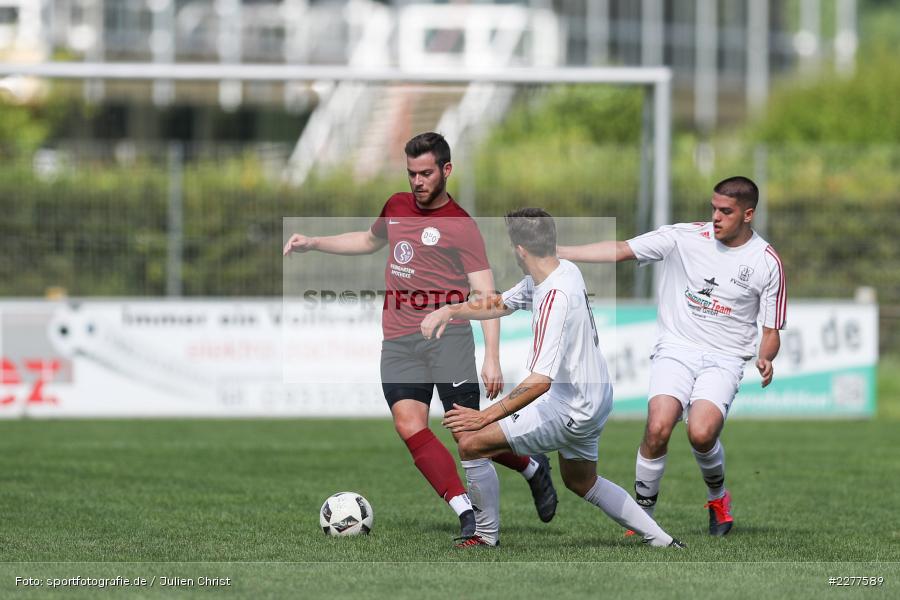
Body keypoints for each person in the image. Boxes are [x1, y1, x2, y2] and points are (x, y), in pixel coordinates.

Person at [283, 132, 558, 543]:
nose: (417, 181)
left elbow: (485, 294)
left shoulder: (461, 226)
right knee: (408, 423)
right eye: (411, 173)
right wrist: (315, 243)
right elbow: (368, 240)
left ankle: (532, 467)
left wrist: (493, 356)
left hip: (449, 341)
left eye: (426, 173)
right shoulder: (395, 206)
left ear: (446, 170)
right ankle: (465, 512)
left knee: (467, 434)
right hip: (398, 340)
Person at [421, 208, 683, 548]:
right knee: (581, 480)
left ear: (519, 250)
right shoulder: (560, 272)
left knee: (471, 442)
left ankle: (484, 537)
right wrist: (453, 309)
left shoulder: (554, 298)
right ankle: (662, 540)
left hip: (570, 407)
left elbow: (540, 380)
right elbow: (500, 302)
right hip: (595, 398)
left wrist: (483, 416)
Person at [557, 176, 786, 536]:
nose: (716, 217)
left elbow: (771, 331)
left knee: (701, 433)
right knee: (658, 425)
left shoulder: (766, 261)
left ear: (748, 214)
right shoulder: (683, 237)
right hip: (676, 348)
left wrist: (766, 357)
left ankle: (717, 498)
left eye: (726, 211)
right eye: (713, 208)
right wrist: (561, 253)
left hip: (725, 358)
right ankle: (642, 514)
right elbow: (620, 250)